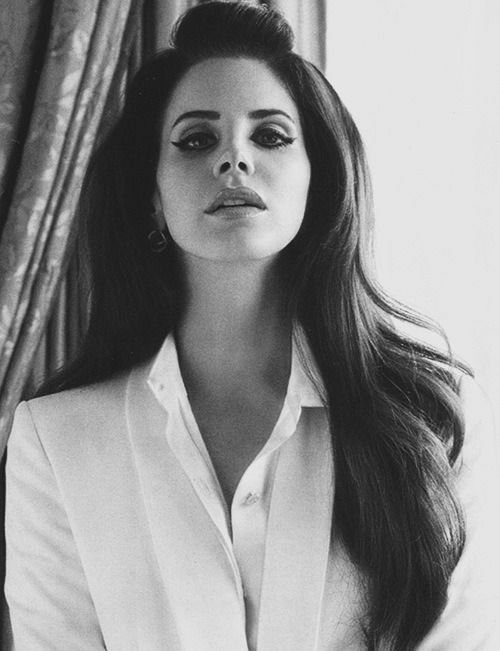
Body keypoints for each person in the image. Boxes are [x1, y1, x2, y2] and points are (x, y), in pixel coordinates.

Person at [3, 2, 499, 649]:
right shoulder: (56, 440)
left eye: (270, 136)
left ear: (318, 179)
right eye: (196, 140)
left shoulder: (434, 418)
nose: (234, 157)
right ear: (152, 195)